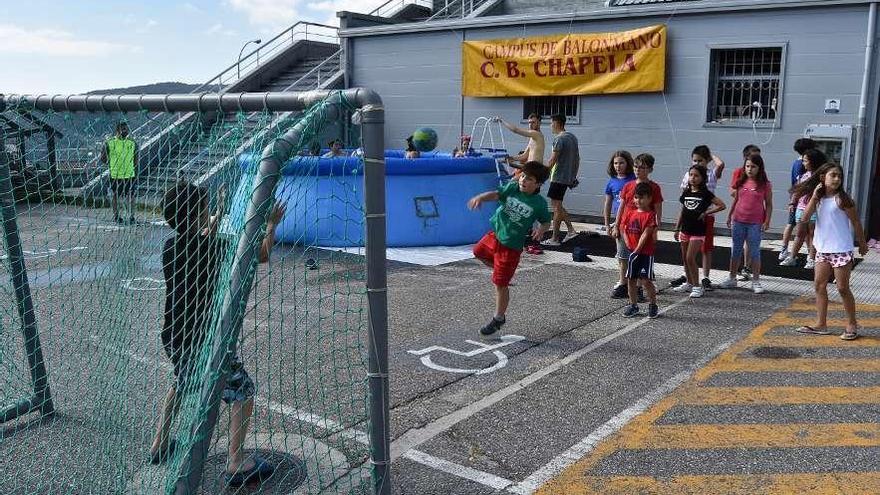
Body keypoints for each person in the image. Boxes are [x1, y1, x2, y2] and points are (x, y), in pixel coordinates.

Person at [149, 180, 286, 487]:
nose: (209, 213)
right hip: (205, 340)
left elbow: (198, 236)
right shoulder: (217, 247)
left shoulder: (170, 246)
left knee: (182, 381)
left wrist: (217, 214)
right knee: (243, 391)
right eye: (205, 209)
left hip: (175, 336)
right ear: (198, 214)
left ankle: (159, 442)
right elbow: (261, 255)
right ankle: (236, 461)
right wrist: (270, 225)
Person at [468, 161, 551, 336]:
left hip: (511, 247)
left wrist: (541, 229)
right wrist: (481, 197)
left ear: (538, 184)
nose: (523, 181)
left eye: (529, 179)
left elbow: (546, 221)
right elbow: (496, 194)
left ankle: (498, 318)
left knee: (500, 284)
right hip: (495, 235)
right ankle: (501, 273)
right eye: (522, 177)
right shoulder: (512, 188)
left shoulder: (539, 203)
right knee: (477, 252)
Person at [792, 163, 868, 339]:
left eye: (839, 176)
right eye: (833, 175)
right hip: (823, 249)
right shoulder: (818, 198)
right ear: (822, 178)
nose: (837, 179)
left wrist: (862, 244)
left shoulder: (842, 199)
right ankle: (821, 324)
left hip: (841, 250)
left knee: (842, 288)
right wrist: (814, 197)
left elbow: (856, 222)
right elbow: (804, 219)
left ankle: (851, 324)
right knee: (819, 286)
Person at [671, 145, 725, 289]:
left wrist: (710, 154)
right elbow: (684, 203)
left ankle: (705, 277)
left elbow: (720, 164)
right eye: (694, 160)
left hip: (705, 216)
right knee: (686, 253)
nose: (697, 163)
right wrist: (677, 226)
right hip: (689, 219)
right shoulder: (689, 176)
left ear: (706, 160)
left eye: (700, 160)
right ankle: (688, 278)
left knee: (705, 248)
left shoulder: (711, 174)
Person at [719, 152, 772, 293]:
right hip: (739, 220)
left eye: (753, 166)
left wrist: (767, 221)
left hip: (755, 223)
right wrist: (730, 215)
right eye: (747, 166)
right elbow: (736, 200)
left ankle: (756, 281)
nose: (749, 169)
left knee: (754, 252)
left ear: (759, 168)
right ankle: (732, 278)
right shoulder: (741, 182)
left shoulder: (765, 185)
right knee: (735, 250)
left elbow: (769, 204)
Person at [613, 153, 663, 300]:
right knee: (623, 257)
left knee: (641, 257)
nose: (637, 170)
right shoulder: (628, 186)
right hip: (626, 227)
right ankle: (623, 284)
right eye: (635, 166)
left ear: (650, 169)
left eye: (642, 167)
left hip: (644, 228)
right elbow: (621, 207)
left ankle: (639, 287)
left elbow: (658, 210)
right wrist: (616, 225)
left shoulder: (654, 188)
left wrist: (655, 229)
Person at [781, 148, 827, 268]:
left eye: (805, 160)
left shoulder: (821, 177)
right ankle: (792, 257)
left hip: (815, 209)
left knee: (813, 234)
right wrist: (792, 203)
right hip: (801, 208)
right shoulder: (804, 175)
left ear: (813, 161)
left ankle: (811, 259)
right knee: (800, 234)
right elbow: (797, 191)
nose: (803, 163)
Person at [621, 182, 660, 319]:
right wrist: (627, 243)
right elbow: (624, 228)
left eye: (642, 198)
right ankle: (633, 305)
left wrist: (637, 249)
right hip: (633, 252)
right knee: (631, 279)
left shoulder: (650, 215)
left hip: (645, 253)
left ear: (649, 198)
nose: (638, 201)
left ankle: (653, 304)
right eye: (636, 197)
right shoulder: (630, 212)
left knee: (645, 281)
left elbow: (646, 233)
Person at [542, 113, 580, 246]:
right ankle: (570, 230)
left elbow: (552, 160)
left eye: (551, 123)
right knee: (557, 205)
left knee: (556, 207)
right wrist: (573, 176)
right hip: (567, 177)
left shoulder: (559, 139)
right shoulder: (572, 137)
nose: (550, 126)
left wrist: (541, 174)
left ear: (557, 123)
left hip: (558, 177)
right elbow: (577, 159)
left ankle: (555, 239)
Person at [602, 150, 636, 298]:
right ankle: (623, 281)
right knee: (621, 254)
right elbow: (608, 203)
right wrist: (607, 223)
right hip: (618, 220)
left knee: (634, 253)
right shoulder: (612, 181)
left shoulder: (633, 180)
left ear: (628, 163)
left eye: (621, 162)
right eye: (616, 163)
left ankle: (635, 283)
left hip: (632, 221)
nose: (618, 166)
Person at [728, 144, 762, 281]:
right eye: (753, 156)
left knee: (752, 244)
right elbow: (732, 191)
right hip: (740, 214)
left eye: (758, 157)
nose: (756, 159)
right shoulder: (739, 173)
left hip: (754, 217)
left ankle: (747, 268)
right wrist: (746, 192)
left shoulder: (761, 175)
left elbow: (765, 196)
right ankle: (733, 273)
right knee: (737, 245)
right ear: (745, 158)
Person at [779, 138, 816, 260]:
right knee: (804, 229)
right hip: (801, 200)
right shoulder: (803, 165)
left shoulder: (796, 162)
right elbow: (800, 184)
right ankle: (807, 254)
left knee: (794, 226)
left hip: (797, 198)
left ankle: (786, 249)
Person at [100, 122, 138, 223]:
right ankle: (117, 216)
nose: (125, 131)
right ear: (117, 130)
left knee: (132, 195)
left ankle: (132, 216)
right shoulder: (109, 143)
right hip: (115, 175)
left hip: (130, 175)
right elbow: (103, 159)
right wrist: (112, 162)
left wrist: (131, 167)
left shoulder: (132, 143)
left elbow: (136, 159)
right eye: (123, 129)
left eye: (126, 129)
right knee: (115, 196)